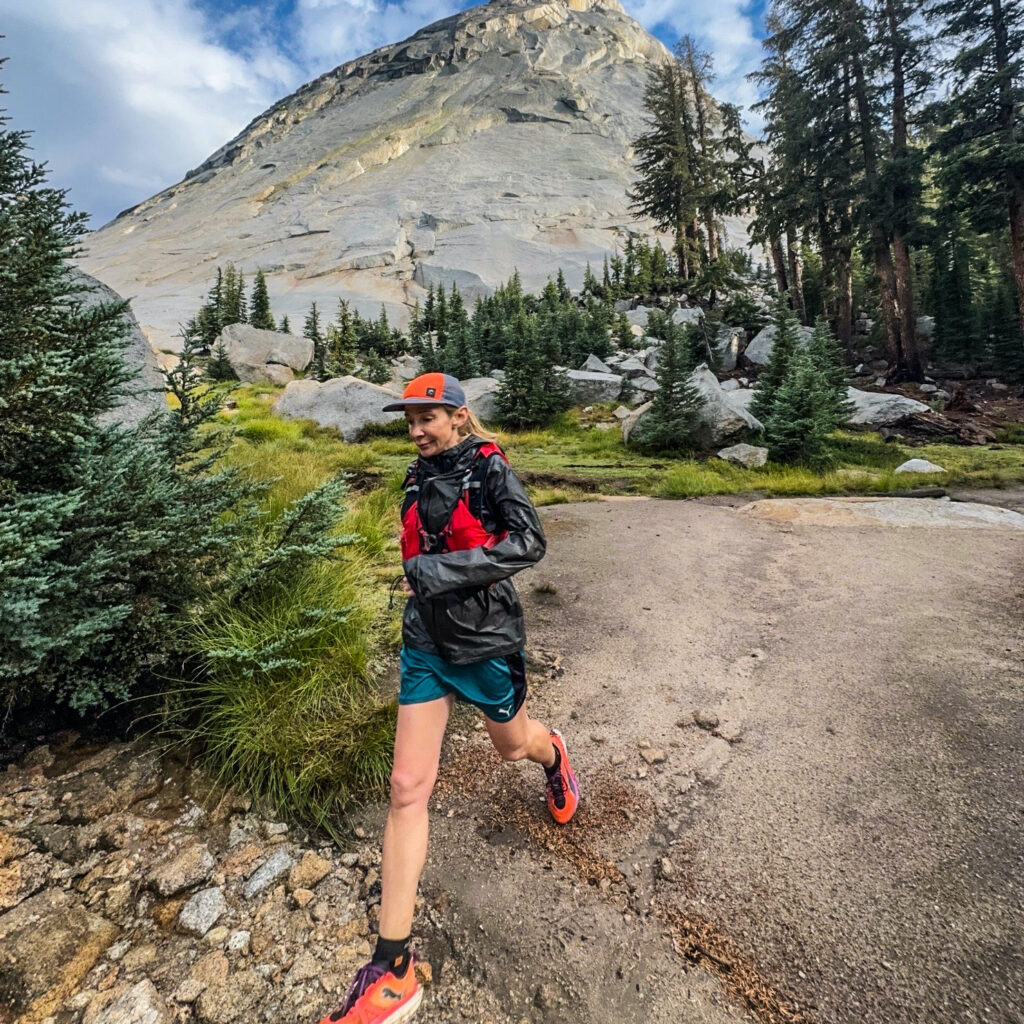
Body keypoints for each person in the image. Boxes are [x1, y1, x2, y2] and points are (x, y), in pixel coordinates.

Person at [318, 372, 579, 1024]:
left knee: (511, 746)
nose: (415, 429)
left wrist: (438, 572)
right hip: (425, 646)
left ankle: (553, 758)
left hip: (486, 644)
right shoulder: (414, 473)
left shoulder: (490, 470)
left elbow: (529, 542)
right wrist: (419, 584)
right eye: (408, 418)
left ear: (458, 417)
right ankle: (393, 968)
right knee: (407, 786)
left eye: (426, 418)